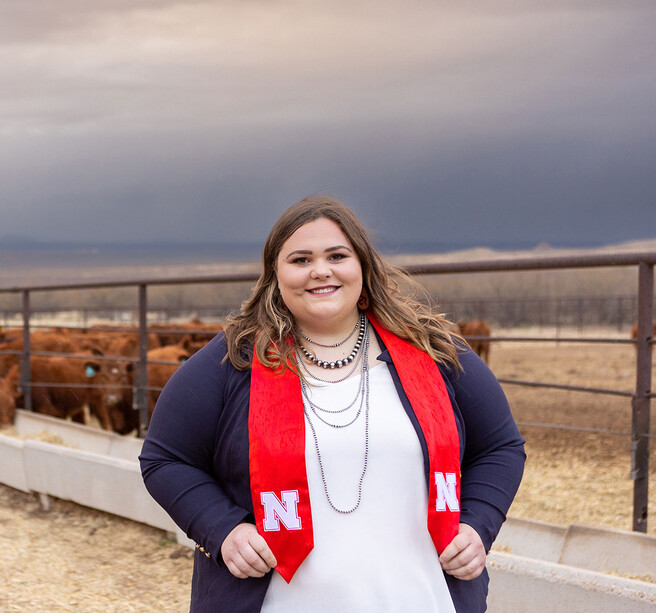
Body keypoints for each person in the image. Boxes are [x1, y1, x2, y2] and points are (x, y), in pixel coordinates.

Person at [139, 196, 525, 612]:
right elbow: (165, 459)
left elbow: (501, 447)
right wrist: (224, 529)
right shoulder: (233, 361)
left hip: (422, 597)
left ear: (362, 265)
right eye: (300, 259)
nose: (320, 270)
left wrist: (477, 523)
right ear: (275, 276)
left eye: (336, 255)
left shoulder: (433, 351)